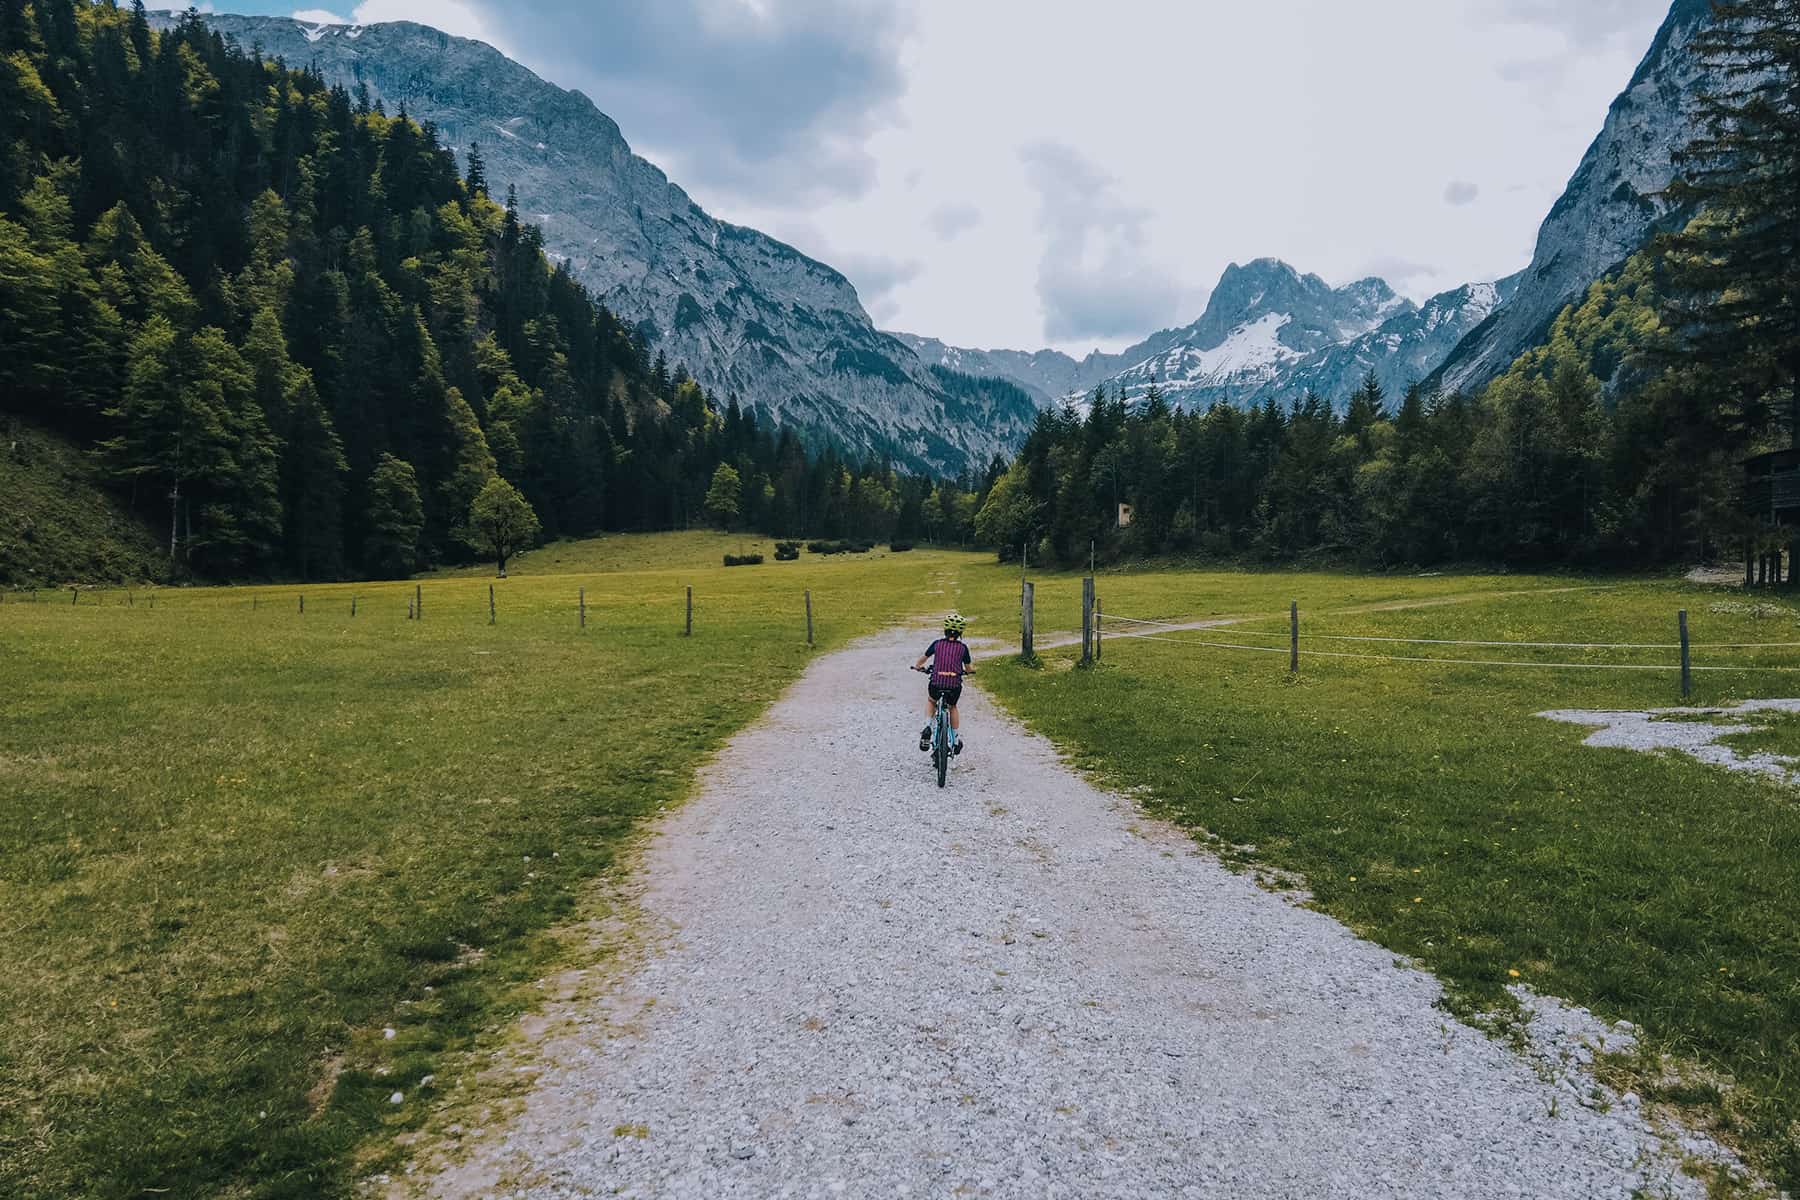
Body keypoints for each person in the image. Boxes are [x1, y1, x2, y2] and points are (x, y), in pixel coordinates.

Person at [914, 612, 973, 754]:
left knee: (931, 701)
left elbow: (923, 659)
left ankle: (927, 726)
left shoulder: (937, 644)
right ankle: (956, 739)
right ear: (960, 633)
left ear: (945, 630)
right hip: (954, 685)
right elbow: (968, 668)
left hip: (936, 683)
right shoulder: (963, 648)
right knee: (952, 707)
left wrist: (918, 667)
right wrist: (970, 672)